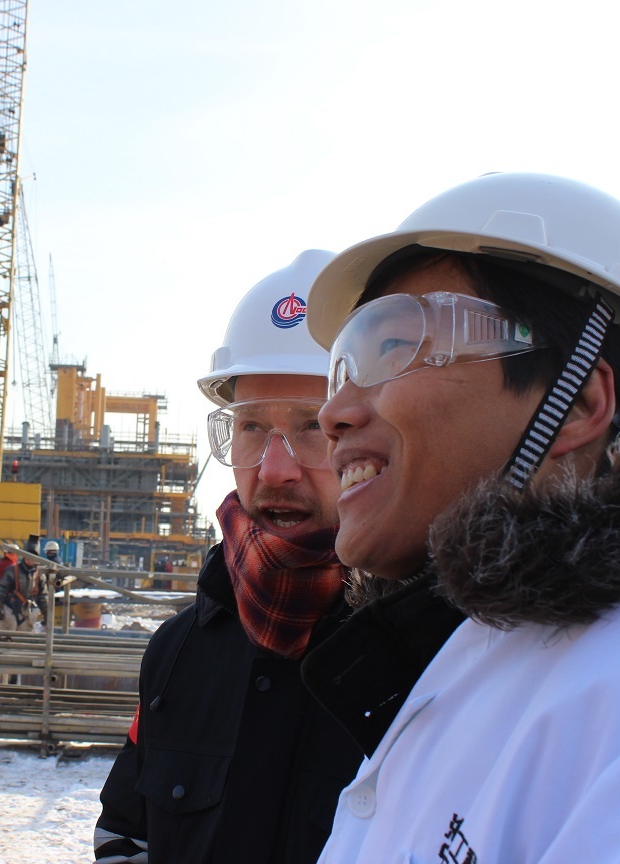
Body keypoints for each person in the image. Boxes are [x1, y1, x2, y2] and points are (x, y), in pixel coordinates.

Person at [301, 173, 620, 862]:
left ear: (576, 404)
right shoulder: (460, 666)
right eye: (346, 363)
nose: (332, 414)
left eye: (396, 348)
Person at [95, 251, 367, 864]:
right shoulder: (178, 651)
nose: (275, 468)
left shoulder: (428, 655)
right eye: (249, 428)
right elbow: (125, 833)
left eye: (312, 428)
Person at [0, 534, 47, 631]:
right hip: (10, 611)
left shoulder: (40, 575)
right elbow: (1, 590)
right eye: (28, 557)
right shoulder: (12, 571)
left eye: (33, 558)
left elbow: (43, 597)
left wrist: (47, 614)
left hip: (28, 614)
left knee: (25, 643)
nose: (30, 561)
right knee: (6, 640)